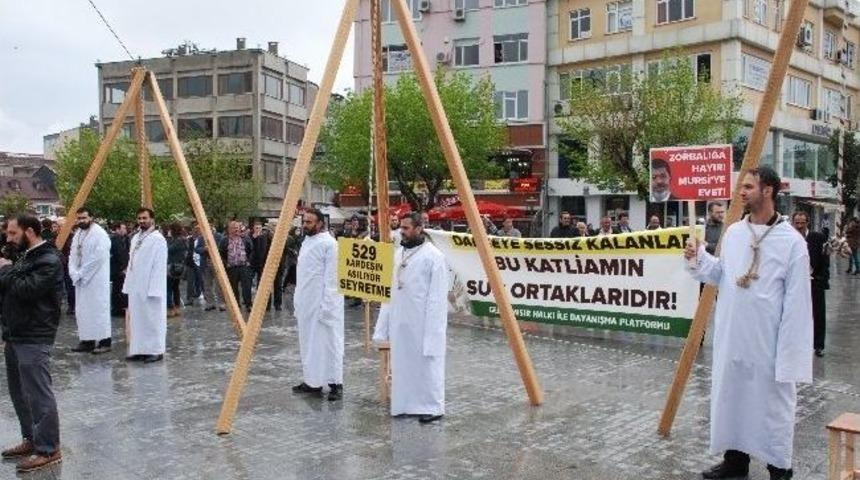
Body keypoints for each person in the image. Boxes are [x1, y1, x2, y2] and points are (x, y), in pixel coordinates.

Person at [684, 167, 811, 480]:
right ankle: (735, 462)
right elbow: (722, 275)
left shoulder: (792, 242)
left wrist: (790, 357)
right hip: (732, 338)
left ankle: (779, 468)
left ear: (767, 190)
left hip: (767, 343)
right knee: (732, 398)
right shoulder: (735, 233)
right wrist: (699, 257)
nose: (741, 192)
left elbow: (798, 306)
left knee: (772, 407)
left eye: (749, 186)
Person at [0, 214, 64, 472]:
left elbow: (26, 290)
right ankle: (32, 438)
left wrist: (5, 270)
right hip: (16, 334)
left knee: (38, 394)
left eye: (13, 233)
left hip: (35, 335)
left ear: (29, 232)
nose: (8, 238)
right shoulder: (25, 257)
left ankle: (49, 448)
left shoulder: (49, 259)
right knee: (19, 393)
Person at [373, 212, 448, 424]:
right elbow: (390, 291)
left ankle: (432, 407)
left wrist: (433, 331)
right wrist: (383, 326)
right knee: (403, 365)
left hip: (423, 323)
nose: (402, 232)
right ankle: (405, 405)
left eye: (406, 228)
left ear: (419, 229)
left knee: (427, 365)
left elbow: (437, 299)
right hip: (401, 322)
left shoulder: (434, 257)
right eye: (400, 228)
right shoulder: (399, 254)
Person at [292, 209, 345, 401]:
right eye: (304, 221)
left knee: (329, 343)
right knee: (308, 343)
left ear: (320, 223)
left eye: (309, 222)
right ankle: (312, 381)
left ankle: (335, 384)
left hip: (325, 303)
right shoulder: (306, 241)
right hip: (307, 302)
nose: (305, 225)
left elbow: (333, 278)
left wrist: (328, 306)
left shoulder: (330, 244)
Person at [123, 208, 168, 364]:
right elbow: (131, 262)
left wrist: (155, 288)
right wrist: (128, 283)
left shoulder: (158, 239)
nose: (141, 221)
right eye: (139, 218)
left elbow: (159, 265)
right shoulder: (135, 238)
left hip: (150, 286)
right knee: (137, 319)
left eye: (144, 218)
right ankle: (139, 350)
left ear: (152, 219)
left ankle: (155, 350)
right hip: (136, 285)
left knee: (152, 319)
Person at [68, 207, 112, 354]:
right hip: (81, 280)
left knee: (99, 310)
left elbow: (98, 258)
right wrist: (73, 271)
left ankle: (105, 341)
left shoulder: (100, 234)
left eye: (84, 218)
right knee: (83, 311)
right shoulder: (78, 234)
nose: (81, 221)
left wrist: (81, 273)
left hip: (96, 279)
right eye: (79, 218)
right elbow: (72, 254)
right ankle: (87, 341)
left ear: (91, 217)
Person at [792, 211, 830, 358]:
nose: (799, 226)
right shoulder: (789, 238)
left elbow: (825, 260)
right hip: (794, 283)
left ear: (808, 222)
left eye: (802, 223)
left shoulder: (818, 238)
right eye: (797, 223)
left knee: (818, 313)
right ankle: (796, 343)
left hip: (815, 282)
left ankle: (818, 345)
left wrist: (822, 280)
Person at [219, 220, 254, 312]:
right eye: (233, 228)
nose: (236, 230)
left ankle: (248, 304)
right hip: (232, 267)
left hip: (244, 266)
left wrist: (249, 261)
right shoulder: (224, 240)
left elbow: (251, 250)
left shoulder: (245, 238)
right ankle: (236, 305)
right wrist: (226, 262)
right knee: (233, 287)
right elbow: (221, 252)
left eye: (237, 228)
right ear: (229, 229)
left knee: (246, 286)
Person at [195, 224, 224, 311]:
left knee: (219, 285)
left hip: (216, 263)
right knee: (207, 284)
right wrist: (204, 249)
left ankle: (221, 303)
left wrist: (214, 249)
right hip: (205, 263)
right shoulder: (201, 238)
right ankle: (210, 303)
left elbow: (222, 248)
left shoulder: (219, 236)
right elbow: (196, 249)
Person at [250, 220, 273, 310]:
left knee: (263, 284)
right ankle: (250, 303)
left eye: (259, 228)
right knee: (249, 282)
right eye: (256, 228)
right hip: (252, 263)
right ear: (253, 229)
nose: (258, 230)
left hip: (263, 263)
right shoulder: (250, 237)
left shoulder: (265, 237)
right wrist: (254, 238)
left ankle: (266, 304)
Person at [165, 223, 187, 318]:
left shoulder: (178, 241)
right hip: (179, 266)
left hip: (172, 267)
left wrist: (168, 239)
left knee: (169, 288)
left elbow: (169, 249)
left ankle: (171, 308)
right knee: (175, 288)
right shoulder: (182, 240)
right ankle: (177, 307)